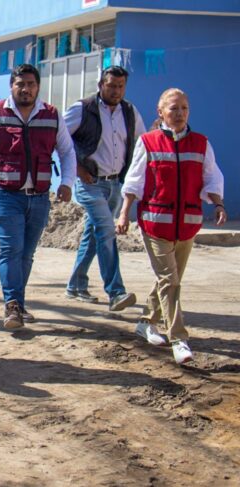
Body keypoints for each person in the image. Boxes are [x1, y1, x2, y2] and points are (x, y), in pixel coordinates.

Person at [116, 88, 225, 364]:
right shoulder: (149, 142)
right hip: (155, 223)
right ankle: (179, 338)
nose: (180, 114)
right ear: (160, 112)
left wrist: (219, 204)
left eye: (184, 108)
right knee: (170, 280)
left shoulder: (201, 143)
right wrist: (124, 213)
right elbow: (135, 180)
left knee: (169, 280)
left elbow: (211, 177)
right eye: (174, 108)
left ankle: (145, 321)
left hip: (187, 224)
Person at [0, 64, 76, 330]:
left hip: (39, 196)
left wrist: (67, 182)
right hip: (4, 194)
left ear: (38, 87)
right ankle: (12, 304)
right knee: (10, 249)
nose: (26, 89)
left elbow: (67, 151)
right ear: (11, 86)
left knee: (26, 254)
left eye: (31, 84)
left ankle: (19, 305)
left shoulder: (52, 114)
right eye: (20, 84)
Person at [64, 66, 145, 311]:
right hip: (89, 183)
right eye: (111, 85)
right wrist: (77, 170)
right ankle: (116, 292)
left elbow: (142, 145)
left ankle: (76, 285)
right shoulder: (83, 108)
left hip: (114, 184)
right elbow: (59, 141)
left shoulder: (130, 112)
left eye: (120, 86)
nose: (116, 91)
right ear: (101, 84)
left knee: (94, 234)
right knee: (107, 231)